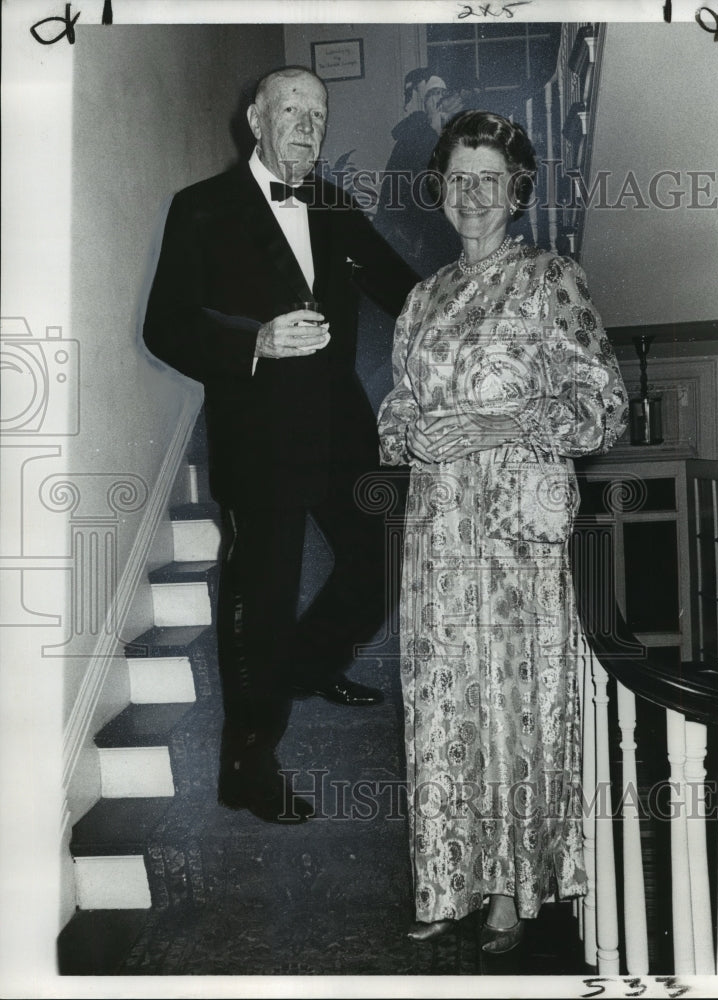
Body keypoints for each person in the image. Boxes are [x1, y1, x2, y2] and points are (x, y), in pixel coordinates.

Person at [377, 111, 628, 953]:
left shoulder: (552, 279)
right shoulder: (422, 297)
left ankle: (510, 889)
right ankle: (445, 877)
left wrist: (496, 427)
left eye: (488, 179)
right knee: (443, 701)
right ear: (440, 190)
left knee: (507, 703)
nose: (471, 196)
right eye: (457, 179)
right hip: (437, 530)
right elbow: (395, 410)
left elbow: (601, 407)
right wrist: (410, 433)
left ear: (516, 190)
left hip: (514, 529)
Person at [143, 66, 418, 826]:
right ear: (255, 120)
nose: (306, 121)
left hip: (341, 425)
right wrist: (253, 341)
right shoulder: (202, 208)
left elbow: (407, 289)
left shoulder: (331, 203)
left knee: (388, 549)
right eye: (290, 106)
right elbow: (164, 325)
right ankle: (247, 764)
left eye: (318, 110)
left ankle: (310, 661)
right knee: (258, 600)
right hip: (259, 434)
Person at [375, 69, 459, 277]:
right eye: (433, 94)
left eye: (443, 94)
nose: (440, 100)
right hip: (413, 239)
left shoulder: (432, 132)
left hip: (423, 233)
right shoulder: (417, 136)